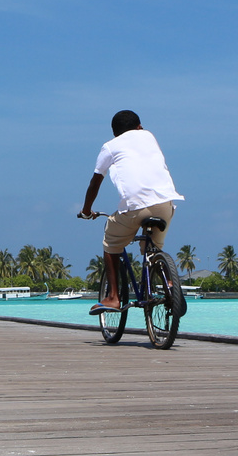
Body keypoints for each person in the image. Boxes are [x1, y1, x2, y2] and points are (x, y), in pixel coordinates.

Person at [78, 110, 184, 310]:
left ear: (115, 133)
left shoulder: (110, 146)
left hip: (136, 207)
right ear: (139, 127)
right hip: (165, 203)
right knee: (152, 249)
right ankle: (171, 287)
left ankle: (113, 297)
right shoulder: (149, 136)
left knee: (111, 241)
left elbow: (95, 182)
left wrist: (86, 210)